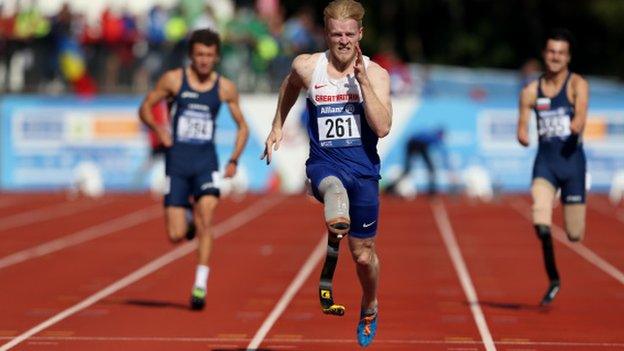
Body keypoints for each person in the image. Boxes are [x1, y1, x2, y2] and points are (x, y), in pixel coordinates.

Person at [261, 0, 391, 346]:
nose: (343, 41)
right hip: (324, 165)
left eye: (349, 34)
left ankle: (371, 303)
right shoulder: (308, 67)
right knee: (332, 190)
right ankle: (335, 207)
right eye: (336, 34)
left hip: (363, 172)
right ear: (326, 34)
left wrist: (362, 83)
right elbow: (289, 86)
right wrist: (277, 125)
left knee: (363, 255)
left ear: (360, 34)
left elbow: (382, 128)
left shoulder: (376, 74)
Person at [139, 28, 249, 310]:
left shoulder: (225, 87)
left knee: (207, 217)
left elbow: (243, 127)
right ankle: (186, 219)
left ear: (216, 57)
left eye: (209, 56)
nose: (204, 60)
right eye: (199, 54)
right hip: (176, 164)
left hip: (205, 163)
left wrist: (234, 160)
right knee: (176, 235)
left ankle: (200, 285)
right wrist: (158, 128)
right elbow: (145, 108)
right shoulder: (174, 80)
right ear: (191, 55)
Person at [516, 28, 589, 306]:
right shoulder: (531, 91)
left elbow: (581, 113)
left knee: (574, 234)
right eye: (551, 52)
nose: (555, 57)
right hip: (545, 165)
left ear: (568, 57)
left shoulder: (576, 84)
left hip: (572, 165)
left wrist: (577, 123)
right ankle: (554, 279)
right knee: (540, 220)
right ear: (545, 54)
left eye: (561, 53)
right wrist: (522, 134)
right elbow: (521, 127)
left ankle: (575, 209)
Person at [384, 127, 451, 196]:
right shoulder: (434, 137)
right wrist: (448, 167)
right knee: (408, 170)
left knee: (430, 169)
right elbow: (442, 152)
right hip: (413, 144)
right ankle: (390, 188)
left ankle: (432, 191)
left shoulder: (431, 135)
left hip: (420, 145)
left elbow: (441, 151)